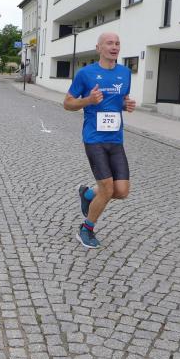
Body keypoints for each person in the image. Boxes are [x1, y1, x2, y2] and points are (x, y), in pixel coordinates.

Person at [63, 32, 136, 248]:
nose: (114, 47)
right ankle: (86, 229)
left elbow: (118, 101)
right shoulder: (85, 74)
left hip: (116, 139)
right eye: (109, 43)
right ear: (99, 48)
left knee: (121, 191)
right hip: (94, 138)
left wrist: (126, 105)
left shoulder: (125, 73)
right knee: (107, 188)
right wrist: (88, 100)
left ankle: (87, 194)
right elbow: (67, 103)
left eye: (117, 43)